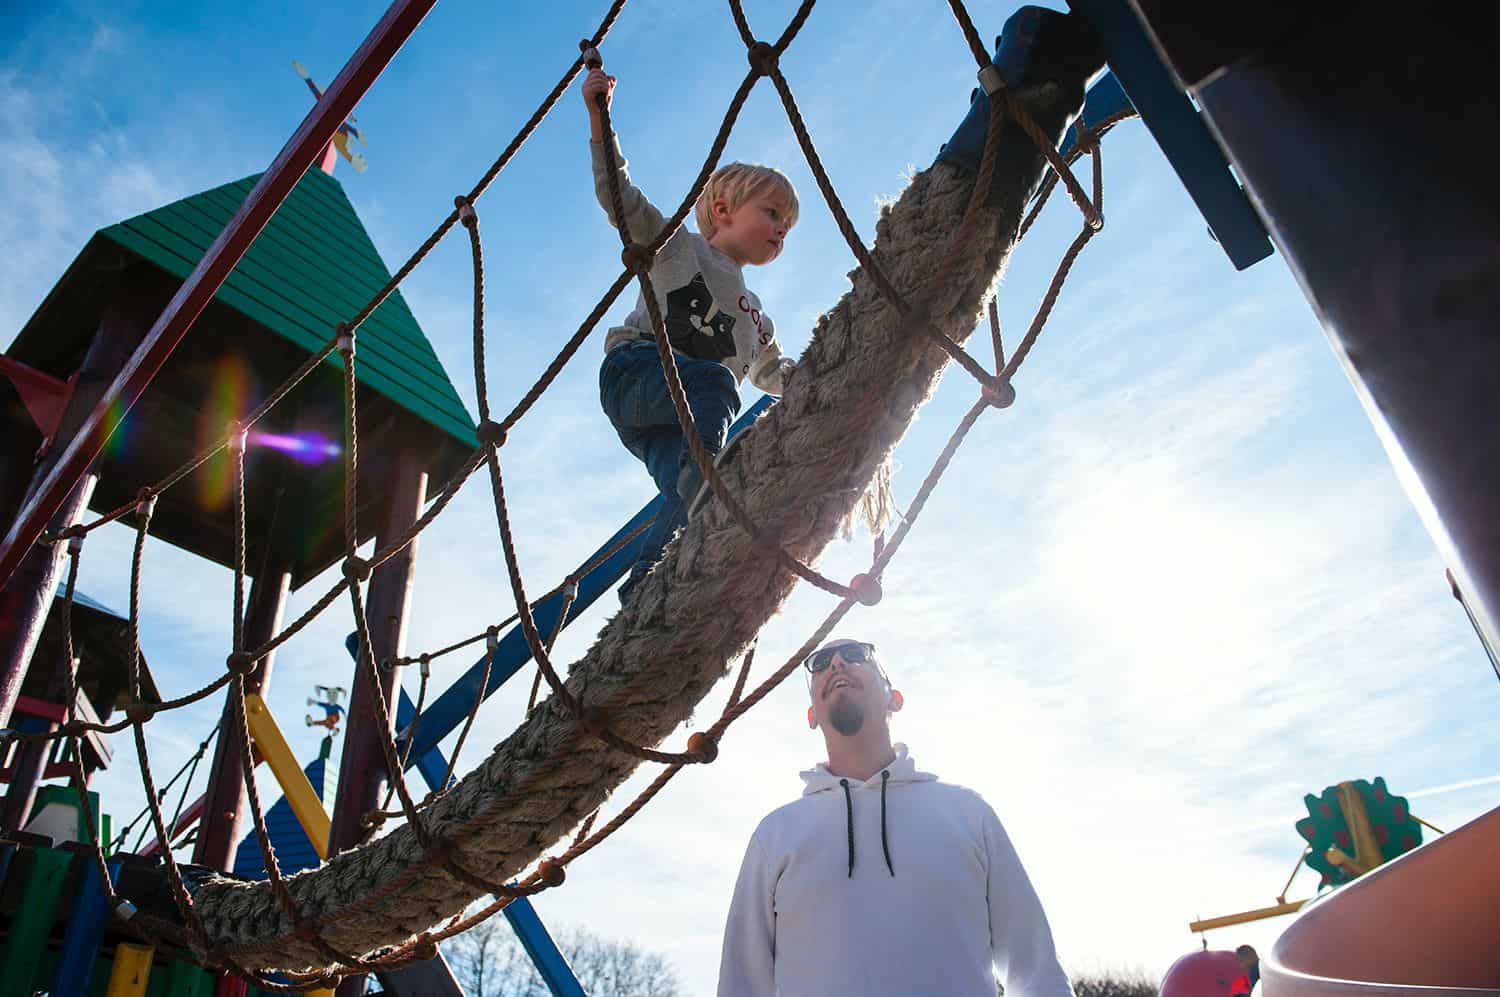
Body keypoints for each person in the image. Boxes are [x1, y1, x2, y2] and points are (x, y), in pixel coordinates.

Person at [716, 638, 1074, 996]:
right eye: (822, 662)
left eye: (856, 655)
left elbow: (1037, 973)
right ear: (811, 715)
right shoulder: (776, 834)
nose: (837, 662)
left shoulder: (969, 815)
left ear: (894, 699)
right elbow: (741, 984)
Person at [584, 64, 799, 602]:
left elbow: (775, 372)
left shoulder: (756, 318)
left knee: (702, 493)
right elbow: (621, 198)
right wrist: (599, 118)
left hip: (679, 426)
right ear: (723, 210)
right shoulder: (678, 246)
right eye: (772, 214)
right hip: (638, 376)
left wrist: (822, 372)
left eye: (787, 228)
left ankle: (648, 589)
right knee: (715, 391)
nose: (780, 232)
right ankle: (664, 560)